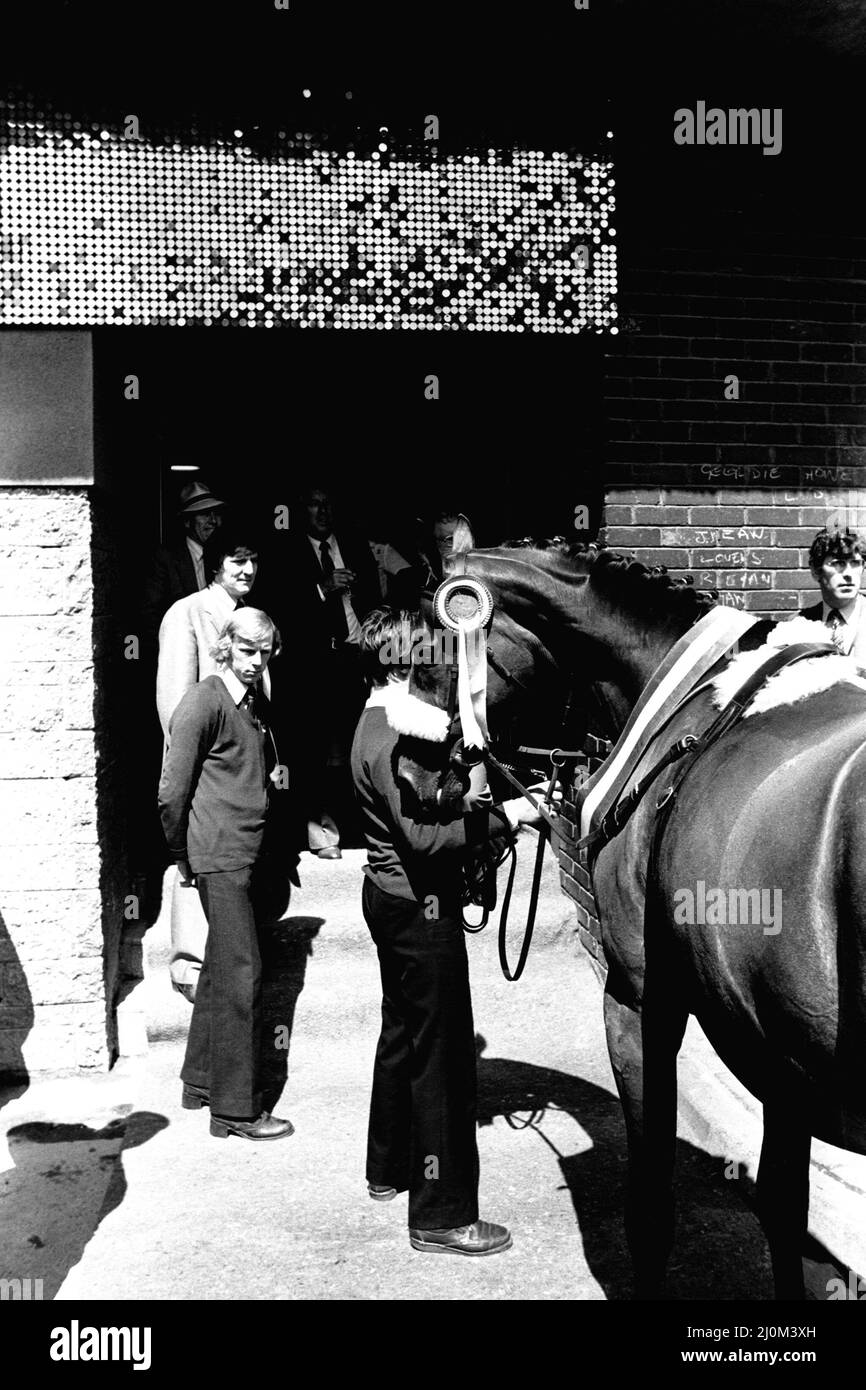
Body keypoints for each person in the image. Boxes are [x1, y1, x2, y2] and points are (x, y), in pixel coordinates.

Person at [350, 608, 560, 1255]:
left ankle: (387, 1166)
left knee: (401, 1034)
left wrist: (461, 791)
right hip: (419, 910)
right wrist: (510, 817)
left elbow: (418, 803)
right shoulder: (393, 735)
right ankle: (441, 1217)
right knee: (442, 1063)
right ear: (410, 665)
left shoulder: (377, 719)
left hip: (387, 900)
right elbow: (421, 837)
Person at [158, 608, 294, 1141]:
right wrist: (181, 853)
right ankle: (236, 1111)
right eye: (246, 651)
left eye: (264, 653)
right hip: (220, 854)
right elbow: (172, 791)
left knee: (220, 966)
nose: (256, 662)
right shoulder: (204, 701)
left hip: (244, 852)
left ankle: (199, 1081)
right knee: (243, 975)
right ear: (224, 647)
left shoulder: (249, 701)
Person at [157, 529, 273, 1001]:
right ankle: (191, 965)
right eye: (235, 560)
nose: (246, 570)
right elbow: (174, 705)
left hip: (238, 772)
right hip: (203, 768)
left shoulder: (251, 619)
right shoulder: (186, 612)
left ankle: (228, 962)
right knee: (191, 867)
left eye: (252, 560)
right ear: (214, 564)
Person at [283, 483, 380, 859]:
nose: (322, 512)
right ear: (301, 509)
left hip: (359, 658)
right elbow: (283, 609)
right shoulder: (288, 551)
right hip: (316, 665)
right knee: (317, 751)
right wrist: (322, 589)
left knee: (362, 745)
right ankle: (323, 834)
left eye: (327, 505)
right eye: (314, 505)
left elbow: (376, 597)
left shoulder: (352, 544)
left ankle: (364, 828)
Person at [141, 479, 225, 651]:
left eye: (215, 513)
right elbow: (149, 616)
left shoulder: (223, 558)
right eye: (204, 514)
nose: (213, 521)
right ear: (187, 522)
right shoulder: (165, 558)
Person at [800, 527, 866, 662]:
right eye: (838, 564)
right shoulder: (799, 624)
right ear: (815, 570)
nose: (848, 574)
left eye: (855, 563)